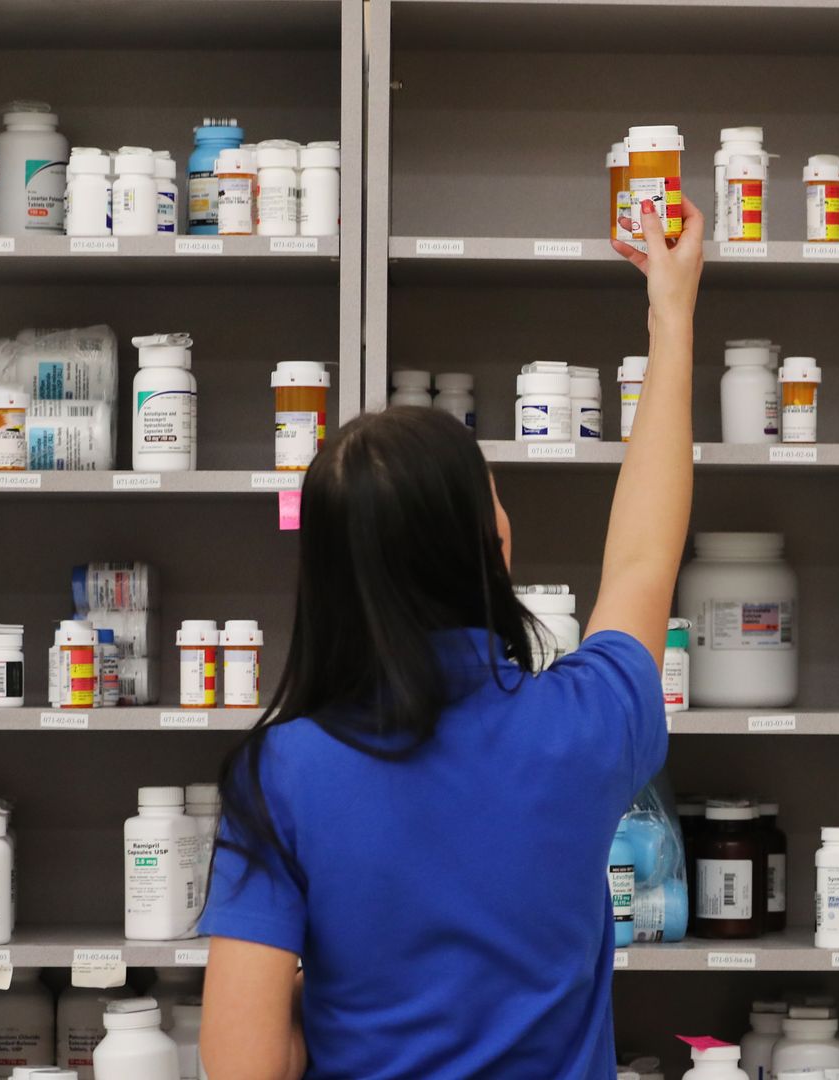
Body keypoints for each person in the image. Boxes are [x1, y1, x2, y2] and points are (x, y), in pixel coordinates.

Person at [198, 194, 706, 1079]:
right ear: (494, 546)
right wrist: (673, 312)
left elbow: (243, 1067)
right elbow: (642, 560)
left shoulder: (278, 775)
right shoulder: (587, 722)